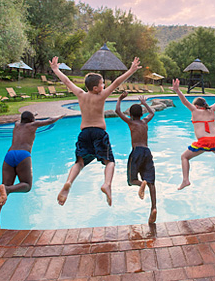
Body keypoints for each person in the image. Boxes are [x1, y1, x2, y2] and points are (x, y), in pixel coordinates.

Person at [49, 56, 141, 206]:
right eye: (102, 84)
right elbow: (117, 82)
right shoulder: (101, 96)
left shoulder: (80, 95)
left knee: (79, 163)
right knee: (109, 161)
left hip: (84, 133)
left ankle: (68, 183)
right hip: (99, 133)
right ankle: (107, 184)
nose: (104, 86)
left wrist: (55, 69)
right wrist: (131, 70)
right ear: (96, 88)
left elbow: (66, 81)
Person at [0, 111, 64, 229]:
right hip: (23, 155)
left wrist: (32, 115)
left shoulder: (16, 125)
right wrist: (60, 116)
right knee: (27, 185)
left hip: (9, 154)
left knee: (4, 185)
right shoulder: (33, 125)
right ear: (31, 121)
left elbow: (25, 120)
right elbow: (50, 120)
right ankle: (7, 189)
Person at [115, 92, 158, 224]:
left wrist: (120, 99)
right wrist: (145, 104)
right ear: (141, 114)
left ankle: (141, 183)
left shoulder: (131, 122)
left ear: (131, 115)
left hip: (137, 152)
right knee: (152, 183)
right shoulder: (145, 122)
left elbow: (117, 111)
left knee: (132, 180)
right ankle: (154, 207)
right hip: (147, 152)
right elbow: (152, 113)